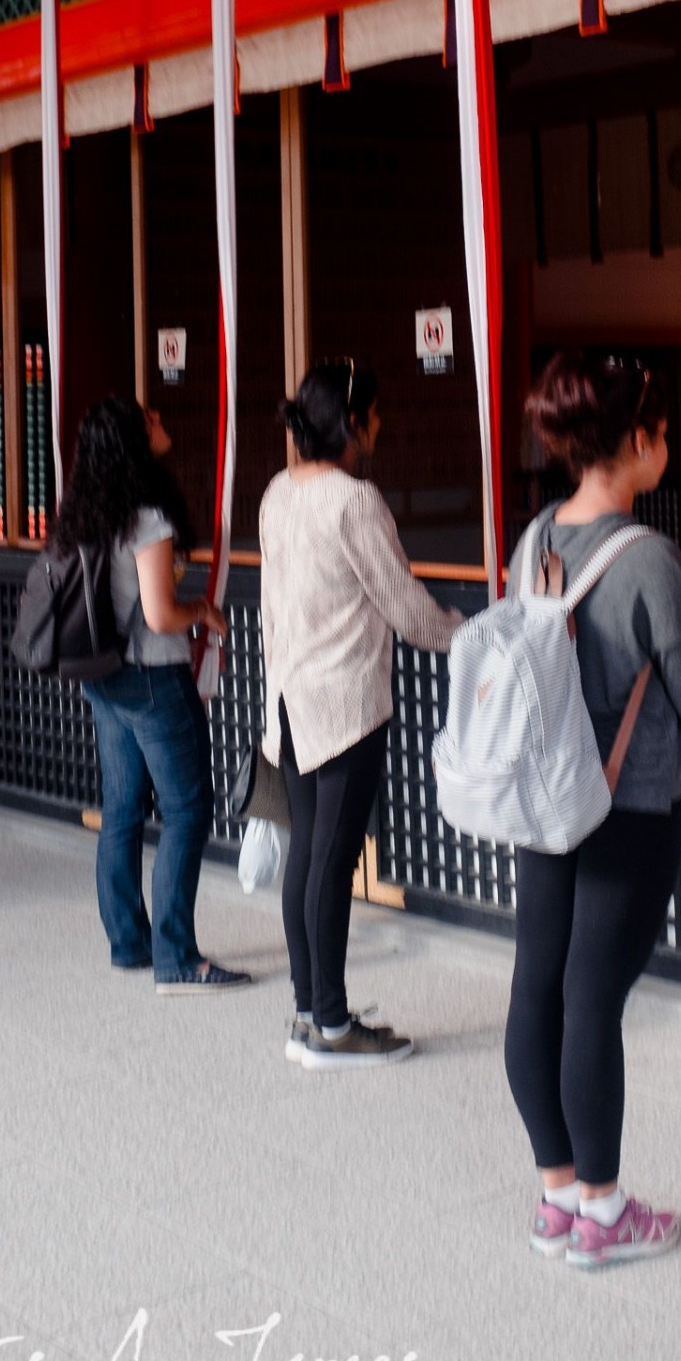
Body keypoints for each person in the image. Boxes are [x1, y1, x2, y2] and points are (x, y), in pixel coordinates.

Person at [505, 352, 681, 1268]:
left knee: (539, 989)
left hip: (545, 799)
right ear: (636, 443)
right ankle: (604, 1211)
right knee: (592, 1001)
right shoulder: (649, 559)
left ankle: (559, 1194)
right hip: (627, 807)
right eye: (663, 434)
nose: (666, 447)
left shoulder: (536, 537)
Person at [260, 360, 462, 1068]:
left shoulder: (279, 491)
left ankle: (309, 1009)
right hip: (343, 702)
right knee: (332, 860)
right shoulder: (354, 499)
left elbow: (274, 606)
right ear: (352, 423)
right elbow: (401, 602)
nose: (378, 426)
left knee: (308, 852)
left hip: (289, 696)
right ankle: (334, 1025)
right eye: (372, 415)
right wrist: (464, 635)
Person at [59, 395, 249, 995]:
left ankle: (128, 943)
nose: (163, 423)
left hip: (104, 676)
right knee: (188, 809)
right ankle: (176, 956)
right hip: (150, 678)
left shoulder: (84, 510)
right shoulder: (147, 518)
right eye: (152, 421)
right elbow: (162, 615)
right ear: (135, 442)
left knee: (121, 810)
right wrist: (203, 611)